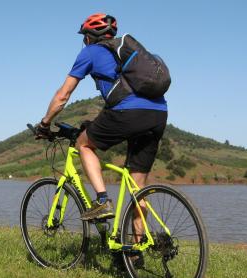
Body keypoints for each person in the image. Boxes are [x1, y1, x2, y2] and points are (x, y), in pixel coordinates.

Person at [36, 13, 168, 222]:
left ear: (89, 36)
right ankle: (134, 253)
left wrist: (44, 123)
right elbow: (120, 96)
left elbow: (63, 95)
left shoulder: (90, 52)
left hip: (128, 112)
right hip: (158, 114)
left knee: (84, 144)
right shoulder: (124, 55)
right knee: (138, 186)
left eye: (84, 37)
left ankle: (102, 200)